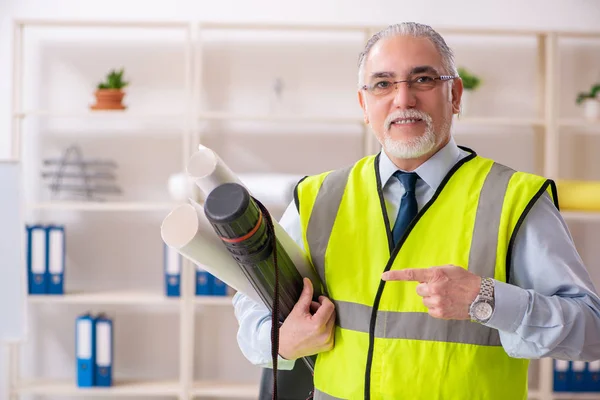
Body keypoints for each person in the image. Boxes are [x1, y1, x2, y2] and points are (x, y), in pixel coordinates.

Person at [232, 22, 600, 400]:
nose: (403, 99)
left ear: (455, 95)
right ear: (364, 105)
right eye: (383, 83)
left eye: (422, 80)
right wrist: (281, 341)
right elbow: (254, 301)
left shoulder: (514, 199)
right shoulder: (316, 197)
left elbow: (591, 332)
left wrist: (488, 299)